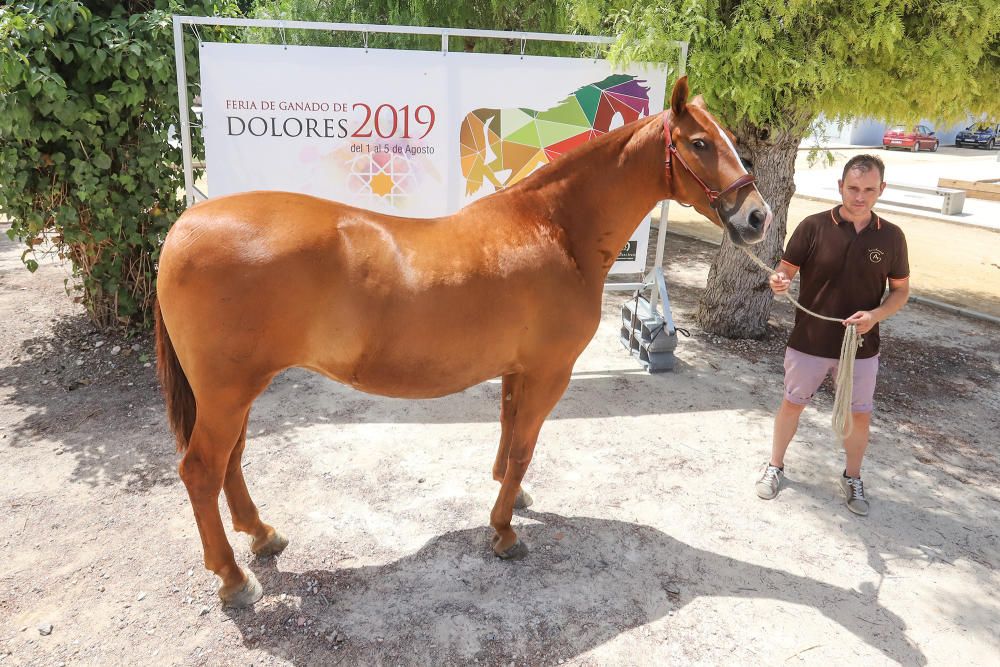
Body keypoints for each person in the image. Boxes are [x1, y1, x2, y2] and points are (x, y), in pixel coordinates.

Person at [755, 154, 910, 515]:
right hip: (809, 342)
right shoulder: (813, 227)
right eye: (853, 188)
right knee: (792, 405)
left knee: (859, 416)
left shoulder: (891, 237)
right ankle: (775, 466)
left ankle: (852, 478)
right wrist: (778, 282)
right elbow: (784, 273)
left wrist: (875, 315)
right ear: (840, 186)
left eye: (869, 189)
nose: (860, 197)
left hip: (861, 348)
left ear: (881, 189)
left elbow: (900, 291)